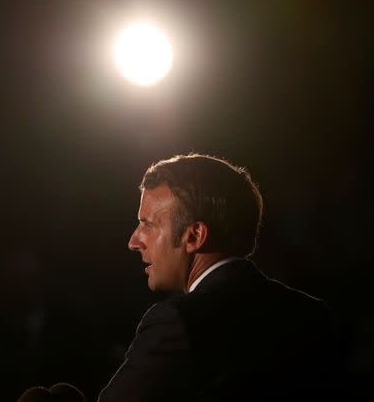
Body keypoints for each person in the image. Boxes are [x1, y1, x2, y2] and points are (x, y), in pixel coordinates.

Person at [98, 153, 339, 402]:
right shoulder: (312, 315)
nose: (133, 241)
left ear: (195, 236)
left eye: (147, 224)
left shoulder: (176, 324)